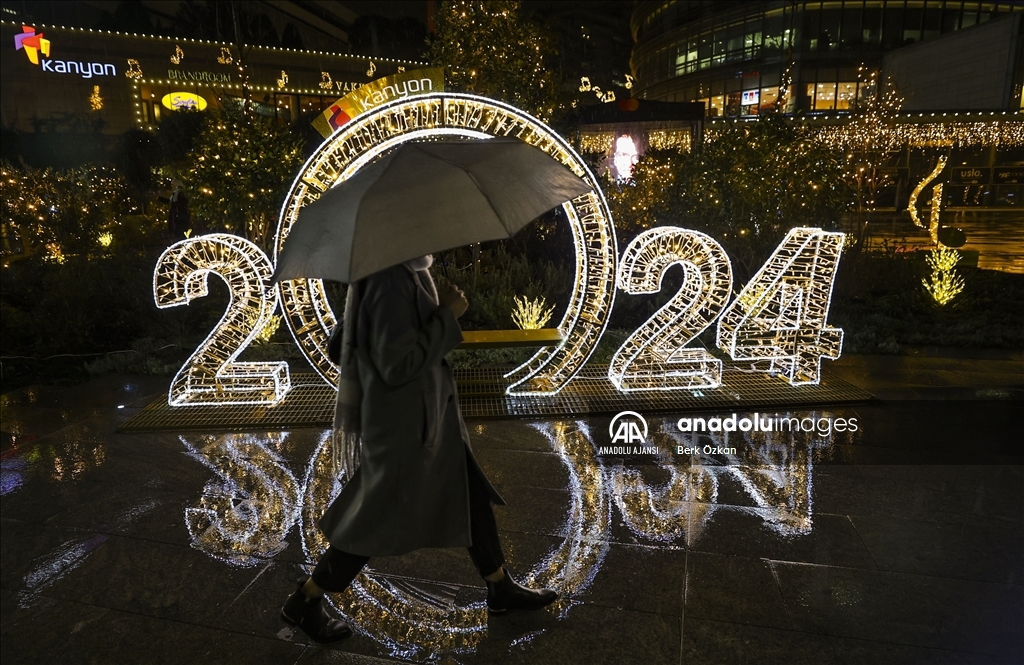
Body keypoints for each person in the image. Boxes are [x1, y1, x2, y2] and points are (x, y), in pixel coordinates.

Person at [280, 255, 557, 643]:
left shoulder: (405, 269)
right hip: (406, 425)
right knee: (373, 517)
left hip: (424, 417)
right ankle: (306, 598)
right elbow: (397, 364)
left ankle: (499, 585)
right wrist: (447, 314)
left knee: (469, 491)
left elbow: (354, 339)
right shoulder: (390, 278)